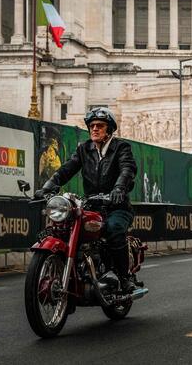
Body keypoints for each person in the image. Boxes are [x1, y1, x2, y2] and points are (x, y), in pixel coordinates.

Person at [35, 107, 136, 292]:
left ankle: (124, 277)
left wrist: (119, 189)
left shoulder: (121, 148)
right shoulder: (84, 149)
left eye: (100, 125)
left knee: (113, 229)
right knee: (64, 228)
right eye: (92, 126)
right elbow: (67, 169)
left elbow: (127, 169)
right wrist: (48, 186)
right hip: (91, 205)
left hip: (116, 206)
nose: (94, 129)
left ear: (109, 129)